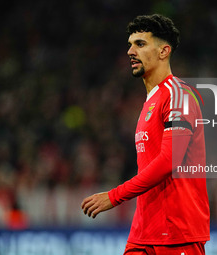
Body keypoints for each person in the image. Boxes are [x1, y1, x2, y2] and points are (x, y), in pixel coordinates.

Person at [81, 14, 210, 255]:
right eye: (130, 44)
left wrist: (114, 196)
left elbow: (169, 160)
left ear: (164, 51)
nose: (130, 51)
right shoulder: (150, 102)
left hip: (177, 233)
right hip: (144, 232)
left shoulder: (178, 95)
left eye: (140, 44)